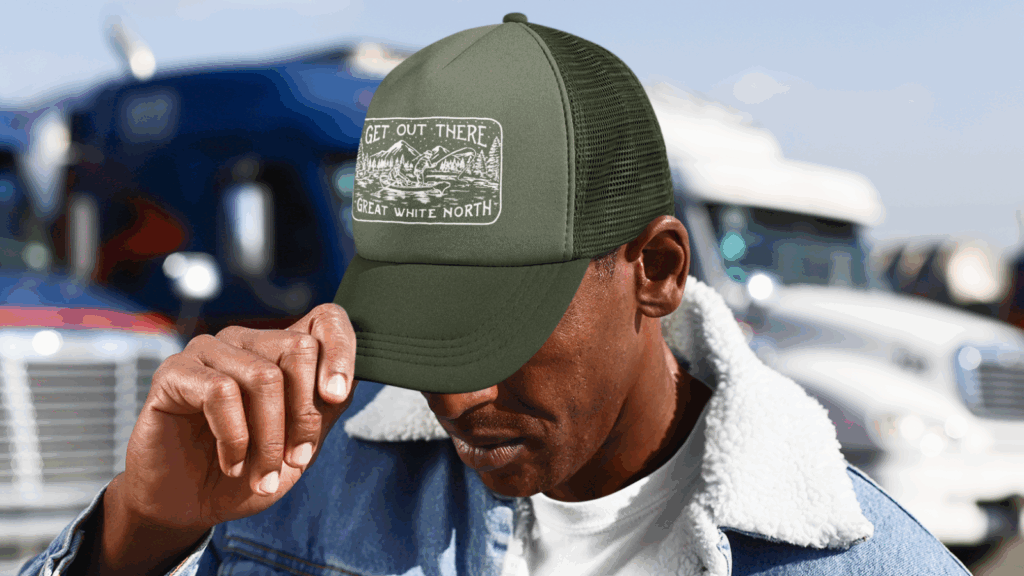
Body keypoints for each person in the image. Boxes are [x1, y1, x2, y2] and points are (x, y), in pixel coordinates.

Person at [23, 13, 969, 576]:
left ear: (658, 271)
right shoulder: (300, 497)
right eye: (426, 340)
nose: (460, 400)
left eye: (494, 331)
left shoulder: (864, 566)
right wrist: (135, 533)